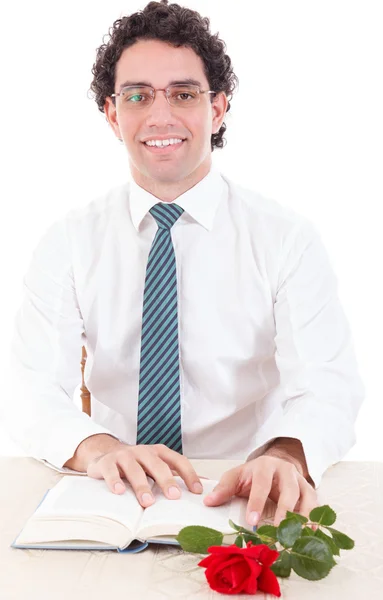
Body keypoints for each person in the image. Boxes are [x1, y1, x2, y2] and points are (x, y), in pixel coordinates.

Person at [3, 0, 364, 528]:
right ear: (112, 113)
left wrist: (286, 456)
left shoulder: (286, 239)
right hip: (114, 492)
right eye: (138, 95)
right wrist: (98, 448)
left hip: (242, 488)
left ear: (217, 108)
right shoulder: (69, 242)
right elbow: (30, 389)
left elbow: (328, 384)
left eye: (184, 94)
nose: (160, 116)